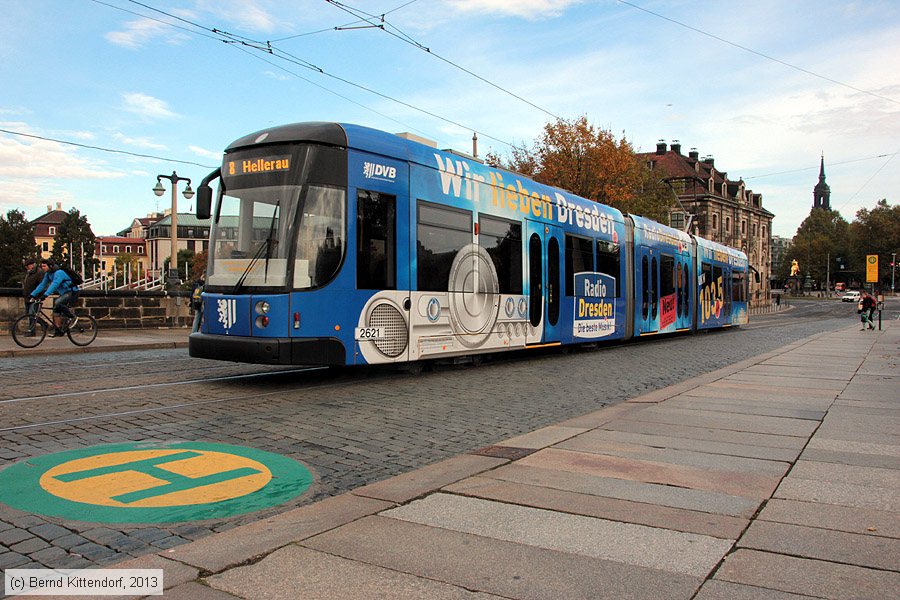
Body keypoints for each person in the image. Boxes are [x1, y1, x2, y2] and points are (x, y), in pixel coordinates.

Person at [31, 259, 79, 337]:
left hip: (71, 292)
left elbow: (55, 284)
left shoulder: (59, 273)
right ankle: (58, 330)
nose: (42, 268)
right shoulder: (48, 274)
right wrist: (33, 294)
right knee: (56, 311)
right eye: (41, 266)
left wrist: (46, 295)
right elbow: (42, 285)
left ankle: (72, 317)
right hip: (64, 293)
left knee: (57, 302)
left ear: (50, 266)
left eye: (44, 266)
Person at [22, 258, 44, 335]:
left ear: (32, 265)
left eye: (27, 266)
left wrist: (36, 296)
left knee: (32, 314)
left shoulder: (39, 272)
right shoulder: (29, 273)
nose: (26, 268)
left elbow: (42, 285)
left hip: (35, 297)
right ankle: (42, 324)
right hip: (27, 296)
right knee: (29, 314)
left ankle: (31, 331)